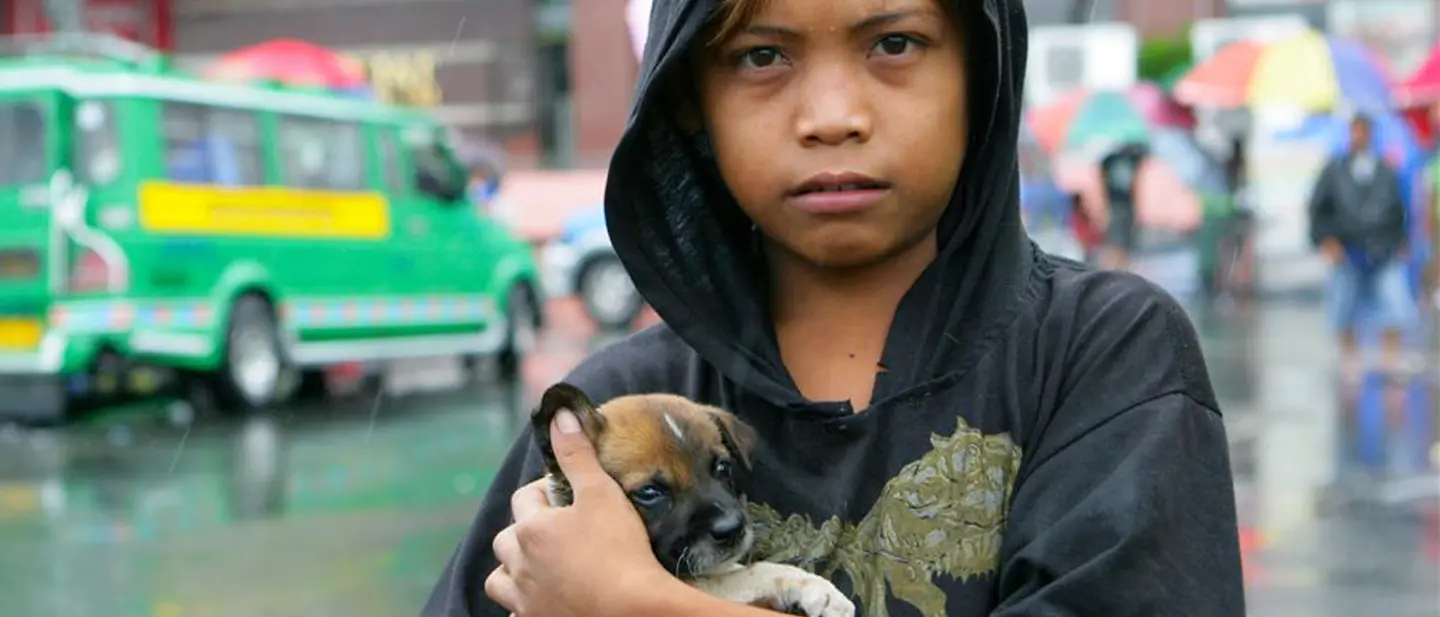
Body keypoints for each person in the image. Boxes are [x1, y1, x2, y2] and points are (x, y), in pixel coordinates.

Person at [422, 0, 1244, 615]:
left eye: (895, 43)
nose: (832, 118)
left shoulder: (1102, 355)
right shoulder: (617, 412)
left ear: (981, 67)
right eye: (761, 56)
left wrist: (645, 605)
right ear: (687, 96)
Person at [1309, 113, 1419, 379]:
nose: (1359, 136)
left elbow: (1399, 209)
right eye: (1355, 131)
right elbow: (1317, 209)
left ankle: (1391, 360)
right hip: (1348, 250)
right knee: (1343, 310)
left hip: (1383, 248)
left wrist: (1401, 240)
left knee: (1395, 307)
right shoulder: (1334, 170)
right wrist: (1326, 240)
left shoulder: (1386, 170)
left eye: (1364, 131)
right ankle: (1350, 360)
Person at [1097, 141, 1147, 270]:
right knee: (1116, 240)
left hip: (1124, 205)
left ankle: (1120, 267)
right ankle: (1114, 267)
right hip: (1117, 204)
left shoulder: (1127, 160)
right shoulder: (1113, 160)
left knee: (1124, 239)